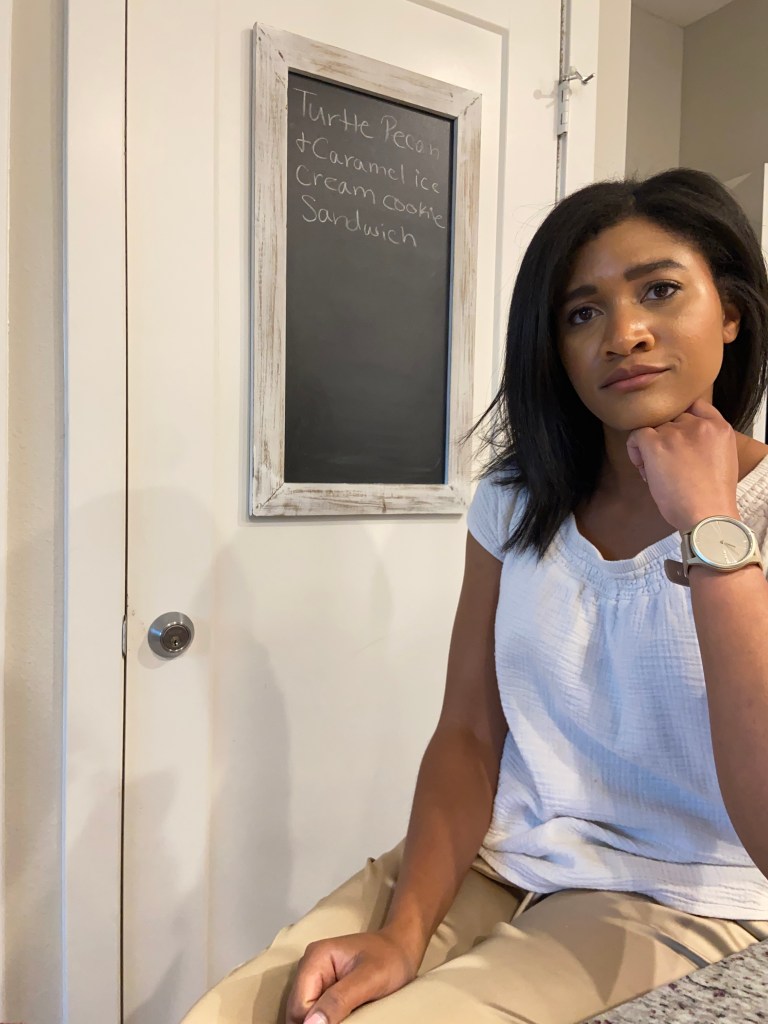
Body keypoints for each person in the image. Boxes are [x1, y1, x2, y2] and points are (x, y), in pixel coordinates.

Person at [181, 168, 768, 1024]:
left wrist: (710, 525)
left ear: (731, 311)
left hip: (677, 894)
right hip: (498, 855)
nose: (625, 334)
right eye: (582, 313)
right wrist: (403, 933)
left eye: (660, 290)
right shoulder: (515, 500)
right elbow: (468, 732)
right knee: (245, 1010)